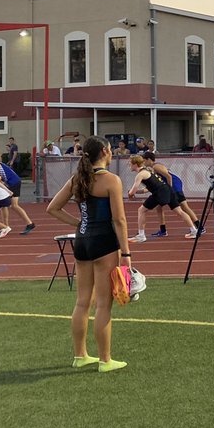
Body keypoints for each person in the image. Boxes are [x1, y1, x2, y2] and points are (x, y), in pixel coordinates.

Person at [46, 135, 131, 373]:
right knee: (104, 304)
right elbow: (119, 220)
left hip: (82, 242)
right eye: (110, 149)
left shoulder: (77, 178)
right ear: (104, 151)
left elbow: (52, 208)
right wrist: (126, 253)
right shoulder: (111, 180)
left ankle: (80, 355)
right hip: (104, 244)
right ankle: (105, 360)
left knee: (82, 302)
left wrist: (79, 224)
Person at [141, 152, 201, 239]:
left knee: (183, 207)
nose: (143, 163)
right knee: (159, 207)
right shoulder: (154, 168)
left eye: (144, 161)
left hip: (174, 185)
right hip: (172, 186)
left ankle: (198, 227)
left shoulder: (155, 166)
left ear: (149, 160)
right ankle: (163, 230)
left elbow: (169, 177)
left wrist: (169, 189)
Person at [0, 159, 35, 234]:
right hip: (14, 181)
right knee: (7, 205)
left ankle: (26, 224)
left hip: (12, 182)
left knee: (13, 205)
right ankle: (6, 227)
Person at [126, 153, 175, 242]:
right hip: (162, 191)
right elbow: (145, 189)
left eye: (130, 163)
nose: (129, 165)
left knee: (142, 210)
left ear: (135, 164)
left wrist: (130, 194)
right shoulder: (145, 171)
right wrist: (132, 193)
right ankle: (151, 232)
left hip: (161, 192)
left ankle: (141, 235)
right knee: (146, 210)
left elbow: (133, 190)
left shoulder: (141, 174)